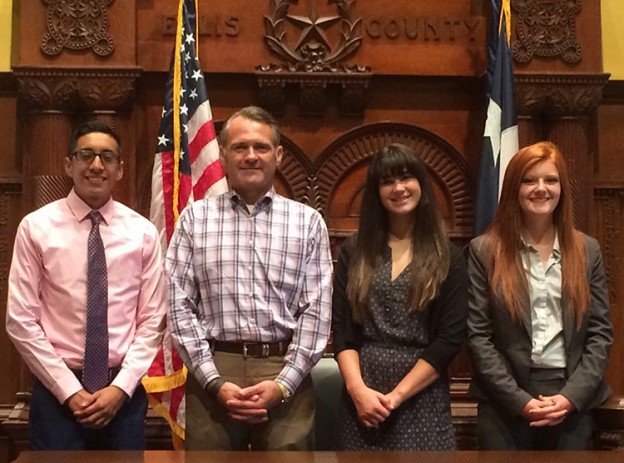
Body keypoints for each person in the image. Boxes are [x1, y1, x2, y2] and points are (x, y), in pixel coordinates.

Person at [166, 106, 333, 450]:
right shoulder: (195, 219)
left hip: (286, 369)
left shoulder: (307, 222)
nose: (251, 156)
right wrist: (213, 381)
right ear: (223, 155)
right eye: (240, 147)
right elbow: (178, 305)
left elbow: (316, 313)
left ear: (279, 155)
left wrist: (283, 383)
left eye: (261, 147)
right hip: (213, 368)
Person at [6, 121, 167, 450]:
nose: (96, 165)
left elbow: (153, 319)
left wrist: (120, 388)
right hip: (57, 394)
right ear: (68, 164)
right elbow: (20, 320)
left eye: (107, 157)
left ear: (120, 169)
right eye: (86, 155)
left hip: (123, 393)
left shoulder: (142, 232)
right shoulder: (36, 228)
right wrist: (69, 390)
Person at [467, 141, 613, 450]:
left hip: (571, 399)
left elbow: (600, 335)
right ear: (513, 189)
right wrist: (520, 401)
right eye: (529, 180)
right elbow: (478, 336)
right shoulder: (486, 251)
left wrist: (569, 398)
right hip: (504, 403)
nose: (541, 188)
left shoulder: (587, 251)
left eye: (551, 179)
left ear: (562, 187)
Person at [331, 143, 468, 450]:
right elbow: (343, 332)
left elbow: (449, 340)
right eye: (387, 181)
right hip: (362, 399)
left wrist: (395, 397)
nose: (398, 188)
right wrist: (359, 392)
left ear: (421, 184)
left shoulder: (449, 256)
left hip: (421, 397)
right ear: (376, 192)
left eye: (406, 178)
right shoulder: (356, 250)